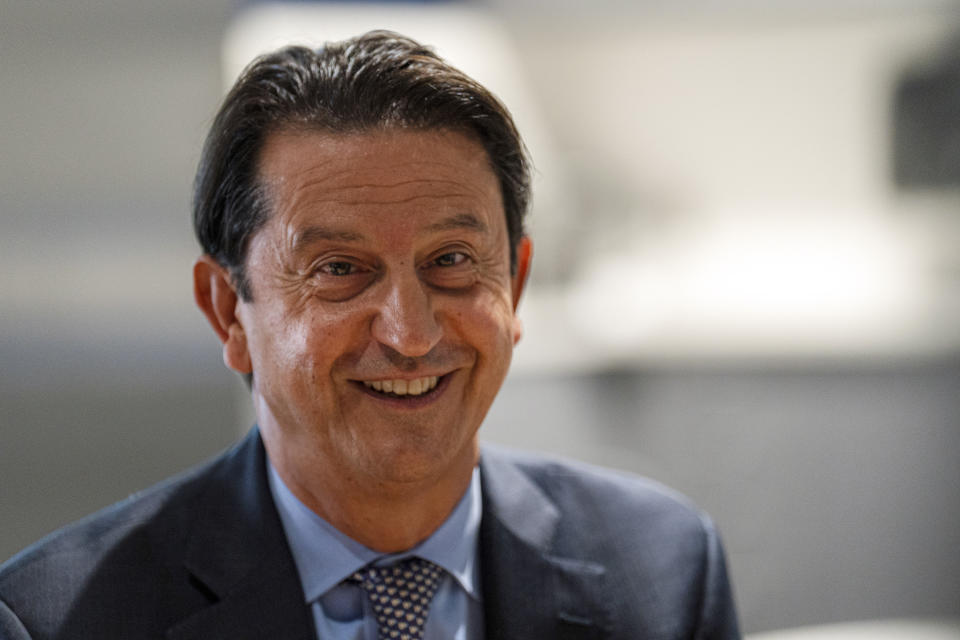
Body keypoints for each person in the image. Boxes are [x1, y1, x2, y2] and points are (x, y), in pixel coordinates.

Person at [0, 31, 740, 640]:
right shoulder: (59, 619)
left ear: (513, 285)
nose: (410, 335)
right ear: (229, 312)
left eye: (451, 262)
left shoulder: (664, 569)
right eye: (340, 269)